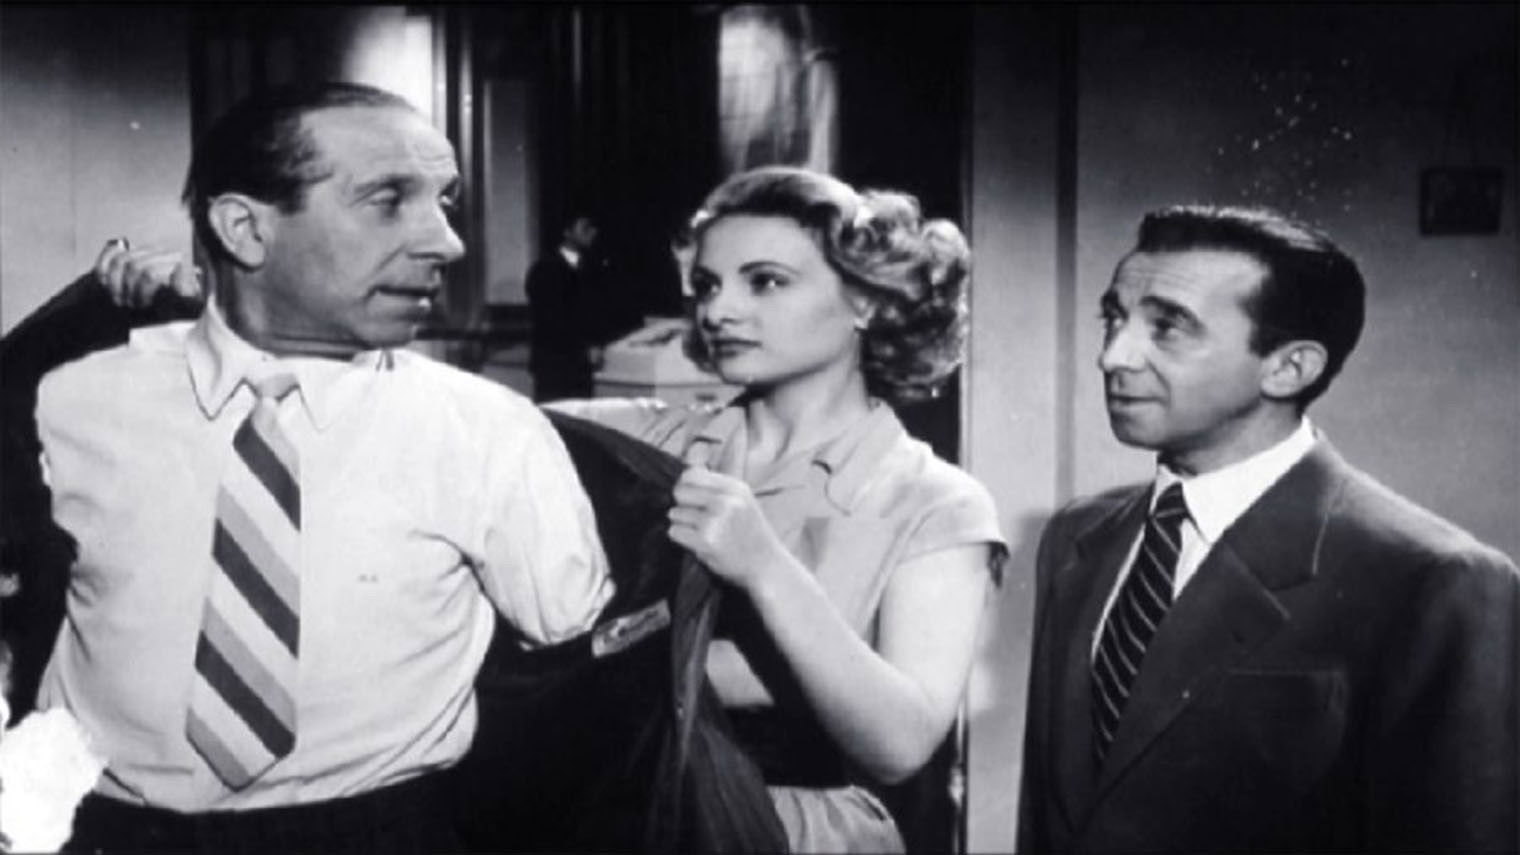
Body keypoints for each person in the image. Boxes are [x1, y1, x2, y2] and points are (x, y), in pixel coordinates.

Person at [11, 82, 613, 852]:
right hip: (107, 831)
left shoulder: (490, 429)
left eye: (444, 202)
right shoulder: (71, 399)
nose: (448, 243)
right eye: (388, 200)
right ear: (244, 229)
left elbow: (583, 664)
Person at [1017, 205, 1519, 851]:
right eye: (1114, 318)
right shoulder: (1077, 538)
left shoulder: (1434, 579)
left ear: (1289, 368)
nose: (1113, 355)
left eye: (1167, 327)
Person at [553, 166, 1008, 853]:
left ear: (865, 300)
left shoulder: (934, 501)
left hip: (800, 834)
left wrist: (765, 567)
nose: (719, 311)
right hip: (624, 818)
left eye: (764, 281)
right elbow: (476, 422)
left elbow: (900, 742)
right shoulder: (652, 440)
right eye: (708, 284)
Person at [526, 213, 603, 402]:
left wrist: (595, 343)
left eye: (593, 228)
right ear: (567, 232)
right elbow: (549, 317)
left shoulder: (593, 269)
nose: (592, 233)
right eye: (585, 228)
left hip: (582, 365)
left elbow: (596, 313)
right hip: (553, 362)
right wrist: (583, 345)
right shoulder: (544, 269)